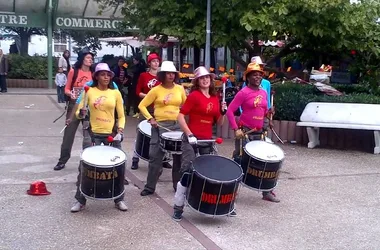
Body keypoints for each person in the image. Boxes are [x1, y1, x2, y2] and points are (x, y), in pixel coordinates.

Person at [172, 66, 229, 221]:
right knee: (187, 171)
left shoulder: (215, 98)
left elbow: (219, 122)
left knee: (211, 171)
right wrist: (189, 134)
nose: (205, 80)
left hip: (207, 140)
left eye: (207, 77)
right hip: (191, 139)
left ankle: (213, 204)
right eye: (202, 78)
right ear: (197, 81)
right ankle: (178, 206)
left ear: (211, 80)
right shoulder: (194, 96)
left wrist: (223, 112)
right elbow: (180, 116)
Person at [71, 63, 127, 212]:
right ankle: (80, 200)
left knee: (117, 167)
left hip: (111, 134)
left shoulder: (115, 93)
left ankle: (119, 199)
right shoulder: (89, 91)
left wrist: (120, 130)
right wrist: (81, 113)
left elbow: (121, 116)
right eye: (103, 74)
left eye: (108, 75)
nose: (106, 77)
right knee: (84, 167)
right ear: (96, 76)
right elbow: (78, 113)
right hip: (92, 134)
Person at [226, 63, 279, 203]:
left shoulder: (263, 92)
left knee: (264, 162)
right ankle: (232, 191)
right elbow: (230, 111)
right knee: (239, 161)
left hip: (260, 132)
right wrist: (235, 128)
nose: (258, 77)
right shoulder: (243, 93)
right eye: (254, 74)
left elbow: (262, 111)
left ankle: (266, 191)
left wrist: (269, 113)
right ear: (248, 77)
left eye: (260, 74)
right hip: (245, 133)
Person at [138, 61, 187, 196]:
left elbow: (186, 105)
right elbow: (142, 106)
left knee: (179, 157)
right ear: (162, 75)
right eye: (168, 73)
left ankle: (178, 186)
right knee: (155, 156)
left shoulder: (180, 89)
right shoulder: (155, 90)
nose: (171, 76)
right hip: (159, 125)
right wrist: (150, 118)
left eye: (173, 73)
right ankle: (149, 187)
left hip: (177, 125)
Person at [53, 48, 94, 171]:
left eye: (91, 58)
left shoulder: (94, 73)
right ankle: (62, 160)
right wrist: (70, 94)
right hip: (74, 105)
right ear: (82, 59)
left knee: (89, 135)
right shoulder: (73, 71)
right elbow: (66, 88)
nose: (90, 60)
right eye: (87, 58)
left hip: (89, 107)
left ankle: (87, 161)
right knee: (69, 133)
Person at [131, 52, 172, 170]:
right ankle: (135, 158)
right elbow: (138, 92)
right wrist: (150, 96)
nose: (156, 63)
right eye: (153, 61)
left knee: (162, 134)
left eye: (157, 61)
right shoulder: (144, 76)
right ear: (149, 63)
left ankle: (164, 159)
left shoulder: (162, 77)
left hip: (159, 109)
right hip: (146, 107)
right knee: (141, 132)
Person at [240, 56, 272, 131]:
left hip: (263, 116)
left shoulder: (267, 83)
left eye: (260, 66)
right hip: (249, 119)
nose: (259, 68)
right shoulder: (247, 83)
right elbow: (241, 102)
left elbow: (268, 101)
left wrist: (269, 118)